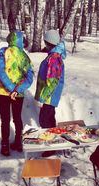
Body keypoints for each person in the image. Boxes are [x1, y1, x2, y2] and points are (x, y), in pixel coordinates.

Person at [0, 30, 34, 156]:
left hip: (3, 92)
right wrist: (17, 90)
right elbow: (29, 77)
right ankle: (18, 142)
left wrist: (10, 88)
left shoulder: (2, 52)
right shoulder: (25, 56)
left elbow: (0, 71)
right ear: (20, 41)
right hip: (18, 94)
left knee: (5, 119)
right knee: (17, 118)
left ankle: (5, 146)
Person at [34, 29, 67, 157]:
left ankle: (51, 147)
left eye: (45, 41)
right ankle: (53, 142)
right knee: (49, 118)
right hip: (49, 94)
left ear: (48, 43)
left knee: (44, 120)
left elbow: (52, 82)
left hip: (49, 95)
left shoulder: (54, 58)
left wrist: (42, 98)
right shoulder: (53, 55)